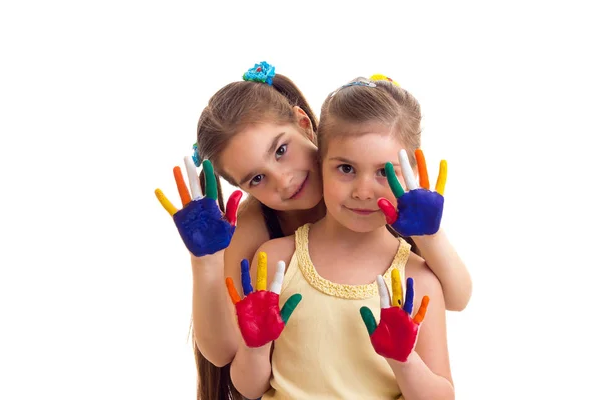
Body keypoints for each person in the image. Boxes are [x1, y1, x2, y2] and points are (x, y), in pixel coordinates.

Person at [157, 62, 469, 398]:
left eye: (281, 151)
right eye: (257, 179)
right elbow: (224, 355)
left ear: (306, 126)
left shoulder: (384, 187)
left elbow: (456, 296)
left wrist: (429, 235)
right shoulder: (263, 239)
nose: (284, 179)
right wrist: (205, 261)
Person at [227, 76, 455, 399]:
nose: (363, 191)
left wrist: (404, 362)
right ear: (320, 163)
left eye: (383, 171)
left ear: (410, 175)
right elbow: (248, 389)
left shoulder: (416, 281)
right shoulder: (276, 262)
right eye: (346, 169)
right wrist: (255, 347)